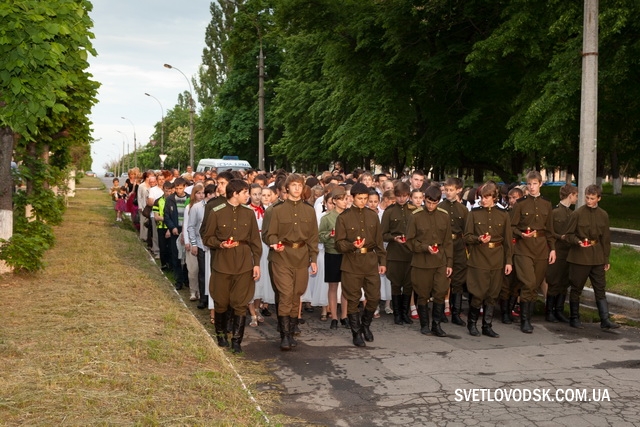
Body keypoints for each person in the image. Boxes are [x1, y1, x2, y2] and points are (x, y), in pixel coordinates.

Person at [202, 179, 262, 353]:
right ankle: (221, 335)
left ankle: (237, 340)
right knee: (221, 302)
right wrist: (220, 244)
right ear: (235, 193)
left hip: (243, 264)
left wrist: (256, 264)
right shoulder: (216, 212)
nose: (248, 196)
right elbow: (207, 238)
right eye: (245, 192)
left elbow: (255, 242)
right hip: (222, 263)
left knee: (240, 303)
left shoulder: (249, 213)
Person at [264, 173, 319, 351]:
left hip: (301, 255)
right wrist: (274, 243)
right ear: (286, 188)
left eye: (299, 185)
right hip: (282, 256)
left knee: (297, 294)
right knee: (286, 294)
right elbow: (270, 233)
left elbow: (312, 237)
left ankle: (292, 328)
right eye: (293, 185)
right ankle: (285, 335)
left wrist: (314, 259)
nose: (296, 188)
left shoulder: (309, 210)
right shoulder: (277, 209)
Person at [334, 183, 386, 347]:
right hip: (351, 262)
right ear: (352, 198)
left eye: (366, 199)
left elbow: (379, 242)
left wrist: (382, 261)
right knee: (353, 299)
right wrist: (351, 246)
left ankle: (365, 326)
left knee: (374, 297)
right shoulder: (343, 217)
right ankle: (356, 333)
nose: (363, 202)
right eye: (360, 198)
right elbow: (338, 244)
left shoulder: (373, 216)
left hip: (370, 261)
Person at [565, 185, 619, 330]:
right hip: (579, 257)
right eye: (587, 198)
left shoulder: (603, 215)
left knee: (600, 288)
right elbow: (568, 235)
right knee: (576, 288)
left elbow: (605, 239)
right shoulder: (577, 214)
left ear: (599, 198)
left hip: (597, 256)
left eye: (592, 198)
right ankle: (574, 318)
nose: (589, 201)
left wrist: (606, 259)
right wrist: (577, 241)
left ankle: (605, 319)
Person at [463, 182, 513, 338]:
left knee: (493, 294)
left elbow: (507, 241)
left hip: (497, 258)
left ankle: (487, 325)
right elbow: (466, 237)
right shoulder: (474, 213)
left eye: (487, 197)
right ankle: (472, 324)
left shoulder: (503, 214)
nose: (483, 200)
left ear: (494, 197)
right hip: (479, 258)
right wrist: (478, 239)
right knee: (478, 293)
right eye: (481, 197)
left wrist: (509, 261)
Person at [510, 170, 556, 334]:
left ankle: (528, 316)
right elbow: (511, 226)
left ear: (540, 184)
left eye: (535, 184)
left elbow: (550, 229)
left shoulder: (546, 204)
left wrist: (553, 249)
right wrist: (521, 234)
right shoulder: (521, 204)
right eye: (529, 184)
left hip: (541, 248)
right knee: (528, 283)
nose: (532, 187)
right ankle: (525, 320)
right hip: (524, 248)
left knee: (535, 284)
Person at [405, 185, 453, 337]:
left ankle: (436, 325)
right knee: (423, 293)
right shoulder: (416, 216)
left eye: (434, 203)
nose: (431, 206)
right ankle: (424, 324)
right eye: (428, 202)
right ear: (424, 199)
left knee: (440, 292)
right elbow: (409, 241)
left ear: (439, 201)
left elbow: (447, 242)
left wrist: (449, 263)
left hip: (439, 260)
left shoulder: (444, 216)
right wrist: (425, 247)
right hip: (421, 261)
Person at [381, 181, 415, 325]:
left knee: (408, 284)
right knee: (395, 283)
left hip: (410, 252)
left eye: (404, 196)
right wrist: (393, 238)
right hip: (395, 252)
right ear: (395, 195)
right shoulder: (389, 212)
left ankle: (405, 312)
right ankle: (397, 314)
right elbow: (382, 234)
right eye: (399, 196)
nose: (401, 199)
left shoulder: (414, 210)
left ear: (408, 195)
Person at [544, 183, 578, 323]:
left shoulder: (573, 213)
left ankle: (559, 310)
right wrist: (560, 237)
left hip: (569, 253)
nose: (576, 198)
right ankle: (549, 311)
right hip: (557, 251)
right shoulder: (554, 212)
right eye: (576, 195)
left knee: (564, 282)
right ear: (570, 195)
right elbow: (549, 232)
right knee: (554, 281)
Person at [439, 177, 469, 326]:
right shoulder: (439, 207)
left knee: (458, 280)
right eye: (446, 189)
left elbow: (467, 230)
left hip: (458, 245)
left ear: (459, 190)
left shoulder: (463, 209)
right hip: (443, 245)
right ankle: (440, 311)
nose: (448, 193)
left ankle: (456, 312)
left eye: (451, 190)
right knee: (442, 279)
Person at [163, 177, 190, 290]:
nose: (179, 191)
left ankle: (186, 279)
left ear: (185, 187)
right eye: (177, 188)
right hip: (175, 228)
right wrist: (172, 227)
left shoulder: (189, 198)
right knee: (176, 255)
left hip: (186, 229)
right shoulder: (170, 199)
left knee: (187, 256)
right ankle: (178, 280)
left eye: (181, 188)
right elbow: (166, 215)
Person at [184, 184, 205, 301]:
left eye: (202, 193)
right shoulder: (189, 207)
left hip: (202, 242)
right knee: (193, 269)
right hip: (192, 241)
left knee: (201, 269)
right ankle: (193, 290)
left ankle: (201, 292)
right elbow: (187, 225)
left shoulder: (205, 206)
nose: (201, 195)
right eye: (198, 193)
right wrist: (188, 241)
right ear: (194, 194)